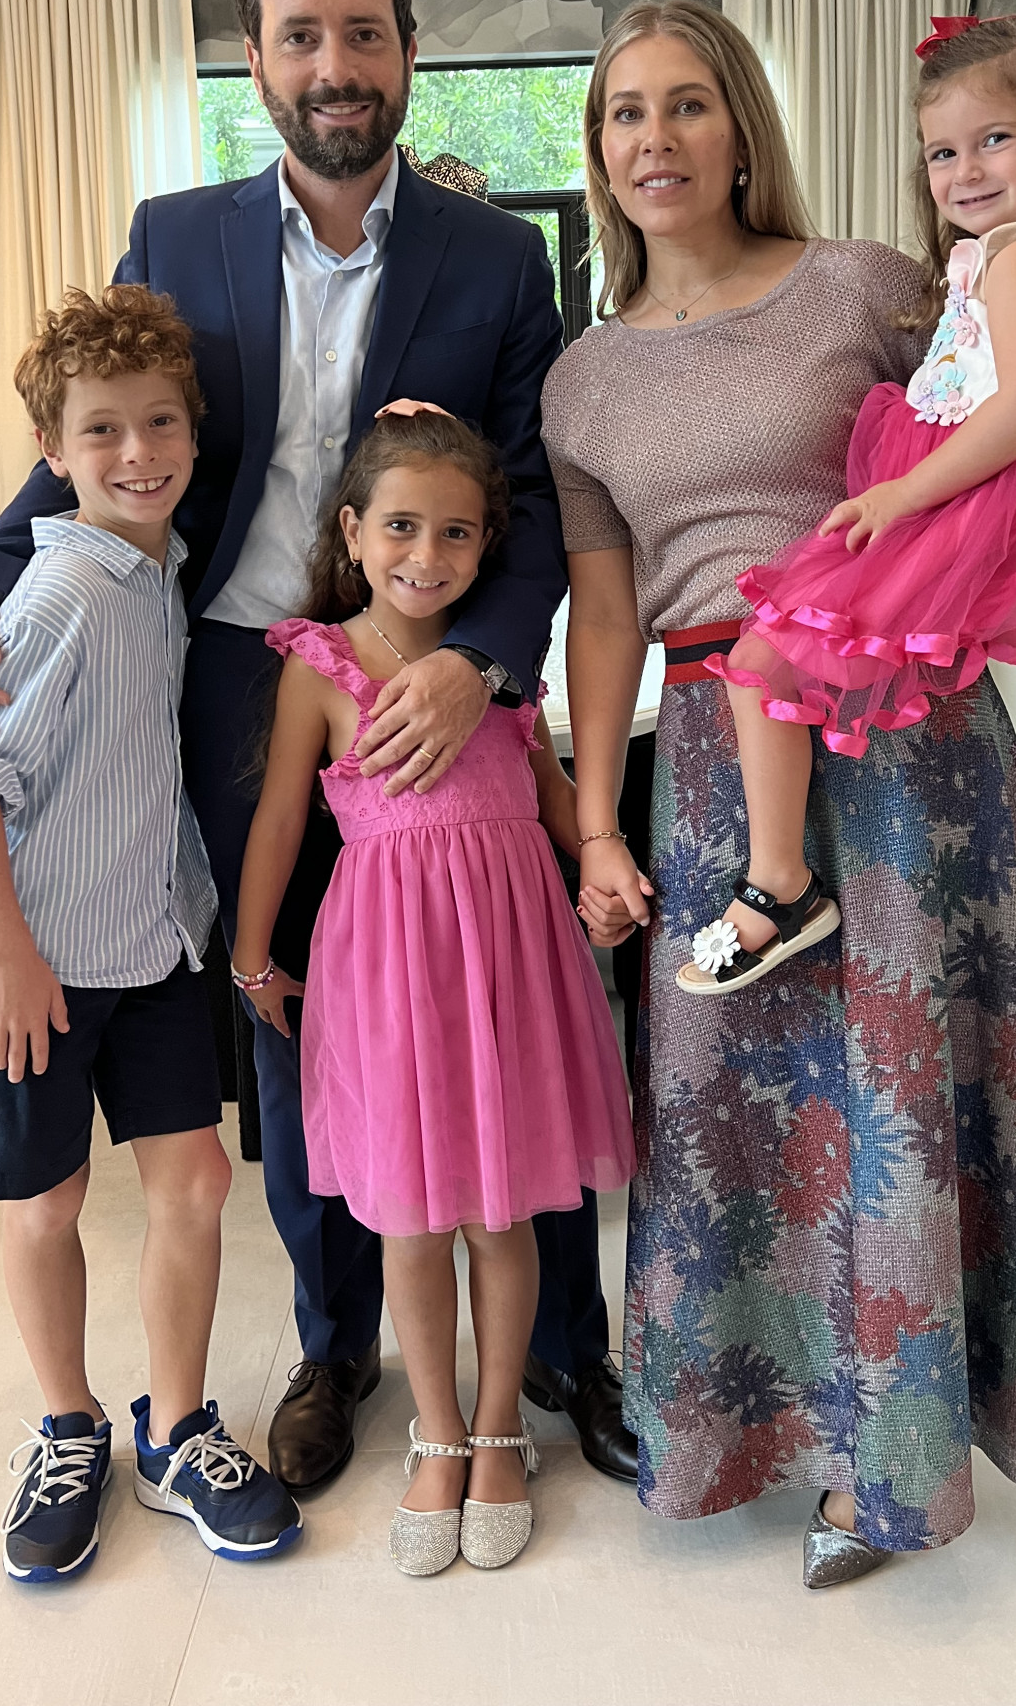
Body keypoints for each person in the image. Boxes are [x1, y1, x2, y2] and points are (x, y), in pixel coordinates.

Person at [0, 0, 636, 1494]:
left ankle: (565, 1350)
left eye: (363, 33)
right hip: (235, 680)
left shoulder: (498, 259)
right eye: (301, 36)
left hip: (421, 674)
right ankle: (336, 1344)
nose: (335, 64)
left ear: (407, 52)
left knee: (500, 1010)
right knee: (299, 1015)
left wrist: (473, 665)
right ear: (255, 60)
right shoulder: (177, 238)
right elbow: (90, 436)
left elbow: (535, 502)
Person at [542, 0, 1016, 1587]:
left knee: (906, 1104)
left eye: (689, 103)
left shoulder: (866, 284)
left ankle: (892, 1461)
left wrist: (1005, 817)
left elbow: (1002, 441)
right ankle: (745, 1430)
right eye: (626, 112)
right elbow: (604, 615)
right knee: (732, 1112)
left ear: (743, 128)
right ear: (598, 149)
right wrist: (596, 820)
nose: (656, 138)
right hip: (721, 766)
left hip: (908, 741)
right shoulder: (581, 383)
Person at [0, 286, 302, 1582]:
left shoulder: (161, 567)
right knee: (47, 1199)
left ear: (193, 430)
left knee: (193, 1182)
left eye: (160, 422)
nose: (138, 452)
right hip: (26, 957)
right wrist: (11, 954)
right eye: (101, 431)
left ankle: (177, 1427)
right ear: (52, 451)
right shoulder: (61, 590)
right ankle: (67, 1423)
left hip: (148, 943)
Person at [233, 408, 635, 1574]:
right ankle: (439, 1431)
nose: (427, 553)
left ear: (486, 543)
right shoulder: (319, 665)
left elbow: (554, 793)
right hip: (388, 967)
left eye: (457, 531)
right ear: (354, 530)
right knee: (408, 1217)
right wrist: (251, 954)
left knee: (500, 1213)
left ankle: (501, 1427)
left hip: (506, 960)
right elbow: (279, 819)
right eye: (402, 526)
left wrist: (601, 861)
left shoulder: (496, 670)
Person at [685, 13, 1016, 995]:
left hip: (970, 490)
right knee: (921, 686)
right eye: (943, 151)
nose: (965, 170)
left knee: (763, 658)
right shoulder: (1010, 249)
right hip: (967, 480)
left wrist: (900, 494)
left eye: (996, 138)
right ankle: (997, 859)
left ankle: (780, 886)